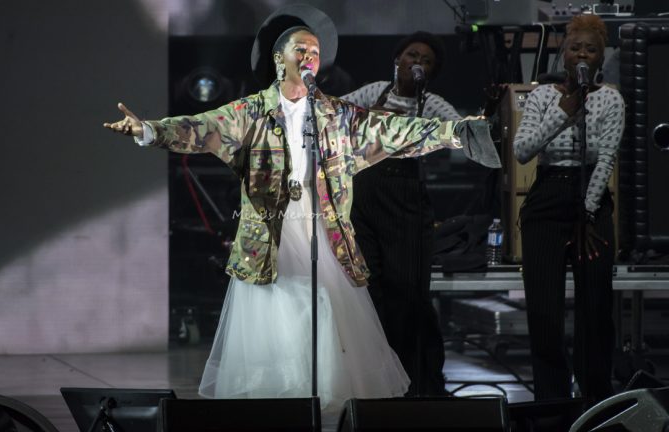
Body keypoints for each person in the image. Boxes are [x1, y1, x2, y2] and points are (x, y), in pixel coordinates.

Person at [104, 5, 495, 414]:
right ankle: (282, 407)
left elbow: (394, 130)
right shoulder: (251, 112)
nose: (309, 56)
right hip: (270, 233)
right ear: (279, 59)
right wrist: (148, 130)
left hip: (322, 230)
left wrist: (455, 132)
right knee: (281, 316)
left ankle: (321, 407)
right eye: (301, 49)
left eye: (315, 51)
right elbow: (202, 128)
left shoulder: (335, 114)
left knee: (322, 309)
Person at [340, 32, 461, 397]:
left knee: (408, 294)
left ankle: (419, 383)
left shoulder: (432, 103)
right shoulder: (374, 91)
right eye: (412, 55)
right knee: (371, 290)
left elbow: (459, 134)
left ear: (432, 71)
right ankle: (378, 383)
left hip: (406, 199)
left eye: (426, 60)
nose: (417, 63)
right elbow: (334, 114)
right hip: (365, 195)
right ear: (397, 60)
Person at [513, 15, 624, 406]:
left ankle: (595, 399)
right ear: (564, 55)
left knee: (595, 309)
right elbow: (523, 150)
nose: (582, 54)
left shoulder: (611, 99)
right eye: (575, 47)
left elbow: (606, 159)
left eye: (590, 49)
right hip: (547, 198)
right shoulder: (544, 96)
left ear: (600, 58)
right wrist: (563, 110)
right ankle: (552, 403)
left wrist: (588, 214)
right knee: (545, 311)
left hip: (591, 200)